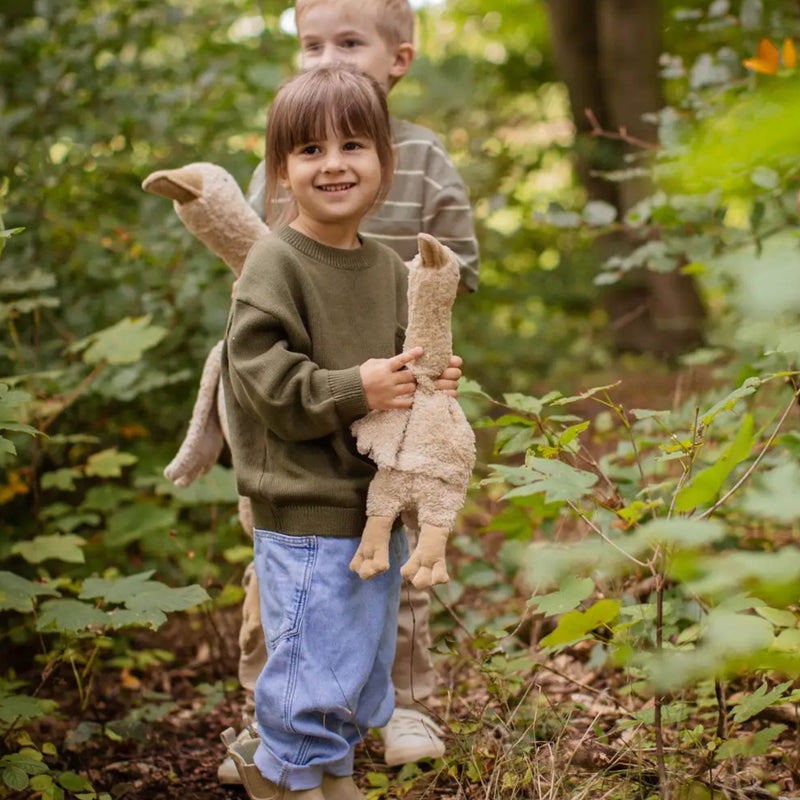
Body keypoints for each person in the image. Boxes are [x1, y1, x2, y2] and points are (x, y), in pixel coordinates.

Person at [222, 0, 479, 783]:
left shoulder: (381, 267)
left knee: (352, 665)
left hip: (369, 500)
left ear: (385, 164)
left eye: (352, 146)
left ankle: (328, 773)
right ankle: (284, 770)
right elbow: (261, 378)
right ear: (280, 171)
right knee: (306, 659)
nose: (332, 163)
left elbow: (405, 364)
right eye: (308, 150)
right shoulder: (276, 263)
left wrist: (427, 379)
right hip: (302, 502)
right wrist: (356, 385)